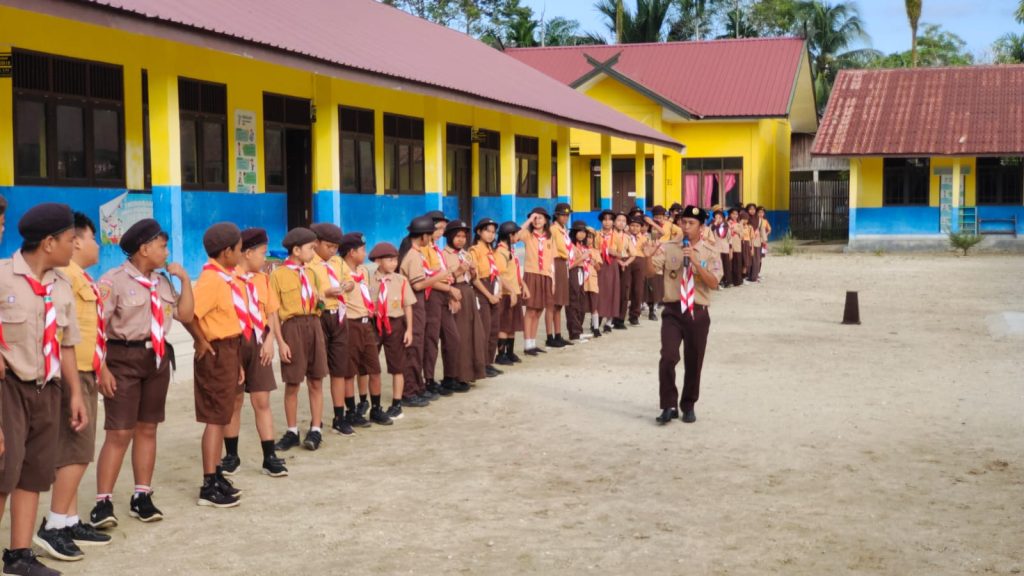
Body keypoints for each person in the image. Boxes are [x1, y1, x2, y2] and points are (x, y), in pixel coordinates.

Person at [0, 204, 88, 575]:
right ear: (49, 243)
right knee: (3, 471)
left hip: (47, 389)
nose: (75, 246)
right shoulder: (3, 277)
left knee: (33, 472)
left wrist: (75, 394)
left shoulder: (61, 286)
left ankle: (19, 555)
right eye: (70, 239)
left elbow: (66, 344)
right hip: (9, 388)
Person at [91, 218, 193, 528]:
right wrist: (101, 369)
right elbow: (96, 328)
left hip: (157, 359)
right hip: (123, 358)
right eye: (162, 246)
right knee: (119, 431)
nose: (167, 252)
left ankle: (142, 495)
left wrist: (184, 280)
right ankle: (103, 502)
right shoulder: (113, 281)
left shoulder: (162, 282)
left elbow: (186, 314)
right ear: (144, 248)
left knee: (148, 428)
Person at [36, 213, 110, 564]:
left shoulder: (80, 278)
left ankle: (69, 520)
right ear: (76, 241)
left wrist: (101, 366)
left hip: (86, 370)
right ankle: (53, 525)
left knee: (74, 450)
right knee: (76, 452)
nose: (98, 245)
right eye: (94, 238)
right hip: (72, 374)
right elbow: (61, 332)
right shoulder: (64, 277)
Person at [185, 223, 247, 508]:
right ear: (226, 251)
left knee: (223, 414)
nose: (241, 254)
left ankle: (216, 473)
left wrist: (237, 361)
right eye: (239, 249)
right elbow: (188, 314)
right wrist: (200, 340)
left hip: (230, 349)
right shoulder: (211, 280)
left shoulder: (224, 278)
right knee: (215, 418)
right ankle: (209, 484)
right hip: (216, 351)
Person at [646, 205, 722, 425]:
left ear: (701, 227)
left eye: (691, 223)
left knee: (694, 360)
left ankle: (688, 405)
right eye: (683, 222)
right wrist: (647, 258)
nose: (686, 227)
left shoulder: (710, 251)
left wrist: (696, 262)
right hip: (673, 310)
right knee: (668, 357)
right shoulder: (669, 247)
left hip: (697, 312)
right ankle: (668, 405)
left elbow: (714, 283)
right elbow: (650, 272)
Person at [221, 228, 287, 478]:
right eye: (262, 253)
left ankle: (269, 457)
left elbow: (271, 312)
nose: (265, 258)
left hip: (260, 343)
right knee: (234, 401)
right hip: (235, 343)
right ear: (247, 253)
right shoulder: (227, 279)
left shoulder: (263, 280)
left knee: (262, 401)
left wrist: (271, 340)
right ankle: (232, 456)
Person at [271, 227, 328, 452]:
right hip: (292, 328)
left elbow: (319, 302)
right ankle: (292, 431)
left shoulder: (312, 274)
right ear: (296, 250)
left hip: (313, 325)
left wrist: (321, 304)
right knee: (293, 382)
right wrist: (281, 342)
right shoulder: (277, 275)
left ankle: (316, 430)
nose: (314, 252)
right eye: (310, 248)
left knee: (316, 380)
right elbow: (273, 312)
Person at [397, 216, 453, 407]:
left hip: (418, 303)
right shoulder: (413, 255)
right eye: (429, 235)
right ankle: (409, 391)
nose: (431, 239)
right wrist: (441, 275)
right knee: (413, 348)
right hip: (413, 303)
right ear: (422, 236)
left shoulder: (416, 252)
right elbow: (418, 285)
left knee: (419, 346)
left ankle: (417, 386)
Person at [338, 233, 392, 426]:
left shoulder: (363, 270)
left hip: (366, 323)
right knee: (349, 372)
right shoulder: (340, 270)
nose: (365, 253)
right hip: (350, 324)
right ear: (351, 252)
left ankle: (375, 408)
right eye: (362, 250)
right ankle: (351, 411)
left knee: (374, 368)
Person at [308, 223, 356, 436]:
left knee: (339, 369)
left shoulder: (338, 262)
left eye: (336, 247)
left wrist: (347, 286)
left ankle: (339, 417)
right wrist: (325, 293)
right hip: (320, 316)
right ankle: (316, 422)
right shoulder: (309, 263)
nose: (332, 251)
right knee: (317, 370)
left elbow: (350, 281)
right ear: (316, 243)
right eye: (328, 246)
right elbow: (307, 292)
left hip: (339, 316)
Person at [368, 242, 415, 420]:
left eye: (396, 260)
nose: (394, 263)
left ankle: (397, 405)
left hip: (395, 324)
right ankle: (373, 405)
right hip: (374, 324)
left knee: (397, 366)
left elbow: (408, 306)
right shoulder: (368, 279)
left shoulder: (401, 280)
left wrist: (409, 330)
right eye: (390, 260)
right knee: (371, 365)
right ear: (378, 261)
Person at [441, 220, 486, 386]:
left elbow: (473, 278)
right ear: (450, 236)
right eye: (457, 236)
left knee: (472, 334)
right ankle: (456, 375)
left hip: (468, 292)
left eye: (463, 236)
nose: (461, 240)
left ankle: (469, 373)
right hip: (455, 293)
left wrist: (473, 271)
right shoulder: (444, 255)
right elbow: (443, 278)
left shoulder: (465, 254)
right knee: (459, 336)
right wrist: (459, 271)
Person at [421, 211, 452, 398]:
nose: (441, 232)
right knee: (431, 338)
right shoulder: (424, 249)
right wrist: (450, 289)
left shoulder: (435, 248)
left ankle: (449, 376)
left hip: (443, 293)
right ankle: (428, 379)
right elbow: (428, 278)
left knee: (451, 336)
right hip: (432, 294)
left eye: (443, 229)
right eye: (438, 228)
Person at [516, 208, 554, 356]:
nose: (537, 221)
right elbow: (516, 236)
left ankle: (532, 342)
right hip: (532, 275)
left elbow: (551, 260)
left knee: (539, 310)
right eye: (535, 218)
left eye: (540, 218)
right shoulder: (528, 235)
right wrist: (529, 220)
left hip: (545, 276)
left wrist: (553, 280)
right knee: (531, 310)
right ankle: (527, 344)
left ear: (546, 221)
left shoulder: (549, 238)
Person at [468, 218, 502, 375]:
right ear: (479, 232)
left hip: (494, 287)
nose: (491, 235)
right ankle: (481, 364)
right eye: (487, 231)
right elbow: (475, 279)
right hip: (482, 290)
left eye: (493, 232)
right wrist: (489, 296)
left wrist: (499, 291)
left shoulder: (492, 251)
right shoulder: (474, 251)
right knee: (484, 329)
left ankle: (489, 362)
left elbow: (497, 273)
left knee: (494, 329)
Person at [494, 222, 527, 364]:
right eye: (516, 234)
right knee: (504, 325)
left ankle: (510, 352)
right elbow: (500, 275)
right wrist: (512, 291)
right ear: (509, 235)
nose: (518, 237)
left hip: (514, 291)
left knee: (512, 325)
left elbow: (514, 273)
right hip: (506, 293)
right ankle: (501, 355)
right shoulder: (500, 252)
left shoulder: (509, 251)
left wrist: (523, 285)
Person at [547, 203, 573, 348]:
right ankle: (549, 336)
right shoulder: (553, 229)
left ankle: (558, 334)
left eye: (567, 215)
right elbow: (554, 249)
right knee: (552, 303)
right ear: (556, 215)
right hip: (556, 262)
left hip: (563, 263)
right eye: (562, 215)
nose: (565, 217)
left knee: (559, 303)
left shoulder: (563, 230)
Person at [565, 220, 594, 342]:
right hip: (573, 273)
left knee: (581, 302)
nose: (582, 234)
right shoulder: (570, 246)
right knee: (573, 302)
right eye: (579, 231)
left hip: (581, 272)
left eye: (584, 232)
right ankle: (574, 333)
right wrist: (582, 258)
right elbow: (569, 265)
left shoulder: (581, 246)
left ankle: (579, 329)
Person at [595, 210, 621, 333]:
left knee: (612, 291)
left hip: (611, 265)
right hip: (600, 264)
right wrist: (601, 251)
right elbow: (593, 249)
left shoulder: (616, 236)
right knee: (599, 291)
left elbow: (620, 254)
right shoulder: (596, 235)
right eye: (604, 219)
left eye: (610, 219)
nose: (607, 222)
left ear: (613, 222)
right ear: (601, 221)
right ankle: (597, 319)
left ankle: (609, 321)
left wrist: (613, 252)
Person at [624, 216, 648, 325]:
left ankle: (634, 315)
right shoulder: (624, 236)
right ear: (628, 226)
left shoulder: (644, 238)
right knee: (625, 288)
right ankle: (620, 315)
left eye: (637, 226)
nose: (634, 228)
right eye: (632, 225)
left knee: (638, 289)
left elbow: (647, 252)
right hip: (627, 260)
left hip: (639, 261)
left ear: (641, 227)